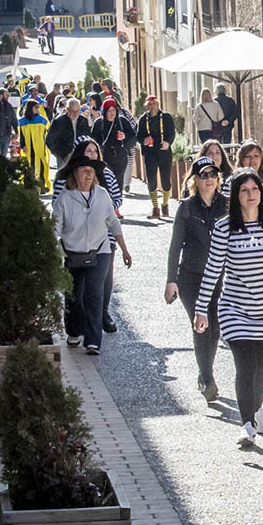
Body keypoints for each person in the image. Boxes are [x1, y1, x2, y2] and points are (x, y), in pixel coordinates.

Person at [194, 168, 263, 447]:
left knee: (262, 366)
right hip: (234, 309)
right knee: (245, 366)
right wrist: (201, 308)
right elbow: (213, 270)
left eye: (255, 189)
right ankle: (247, 425)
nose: (250, 195)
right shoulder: (224, 228)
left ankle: (257, 408)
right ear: (235, 195)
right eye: (244, 190)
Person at [52, 154, 132, 354]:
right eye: (83, 171)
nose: (88, 174)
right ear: (75, 174)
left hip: (100, 251)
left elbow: (113, 223)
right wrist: (50, 251)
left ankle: (93, 341)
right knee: (73, 295)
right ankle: (74, 330)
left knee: (94, 294)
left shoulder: (102, 195)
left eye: (91, 171)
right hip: (72, 253)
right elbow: (55, 228)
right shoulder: (64, 198)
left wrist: (124, 249)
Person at [166, 156, 228, 402]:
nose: (209, 179)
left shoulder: (227, 205)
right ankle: (208, 379)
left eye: (213, 174)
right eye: (204, 175)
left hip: (219, 278)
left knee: (215, 327)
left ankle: (204, 373)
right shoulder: (187, 207)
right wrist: (171, 280)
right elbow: (175, 245)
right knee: (201, 324)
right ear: (195, 180)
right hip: (190, 277)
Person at [137, 95, 175, 219]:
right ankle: (155, 208)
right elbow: (139, 135)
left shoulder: (166, 117)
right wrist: (144, 140)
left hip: (164, 152)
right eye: (149, 104)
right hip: (150, 153)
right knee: (151, 180)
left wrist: (168, 142)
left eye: (154, 103)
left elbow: (172, 132)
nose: (152, 106)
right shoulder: (143, 119)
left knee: (165, 180)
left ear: (158, 104)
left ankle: (165, 205)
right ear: (146, 106)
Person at [91, 98, 135, 201]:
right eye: (109, 111)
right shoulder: (99, 123)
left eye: (114, 110)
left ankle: (116, 205)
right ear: (105, 112)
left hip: (120, 155)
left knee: (119, 181)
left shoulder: (122, 121)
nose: (112, 113)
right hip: (105, 155)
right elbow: (93, 139)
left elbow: (133, 136)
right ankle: (107, 204)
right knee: (107, 180)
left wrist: (125, 137)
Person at [17, 100, 51, 192]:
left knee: (42, 166)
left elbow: (48, 133)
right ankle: (28, 185)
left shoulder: (43, 120)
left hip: (40, 148)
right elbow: (21, 135)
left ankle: (42, 186)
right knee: (29, 166)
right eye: (36, 107)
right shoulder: (22, 121)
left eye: (38, 107)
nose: (38, 109)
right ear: (30, 108)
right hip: (29, 148)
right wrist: (23, 145)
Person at [45, 97, 91, 165]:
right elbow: (50, 141)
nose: (75, 114)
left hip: (80, 157)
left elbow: (88, 138)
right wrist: (62, 155)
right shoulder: (59, 121)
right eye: (73, 111)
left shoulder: (83, 121)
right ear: (67, 110)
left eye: (77, 111)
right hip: (63, 158)